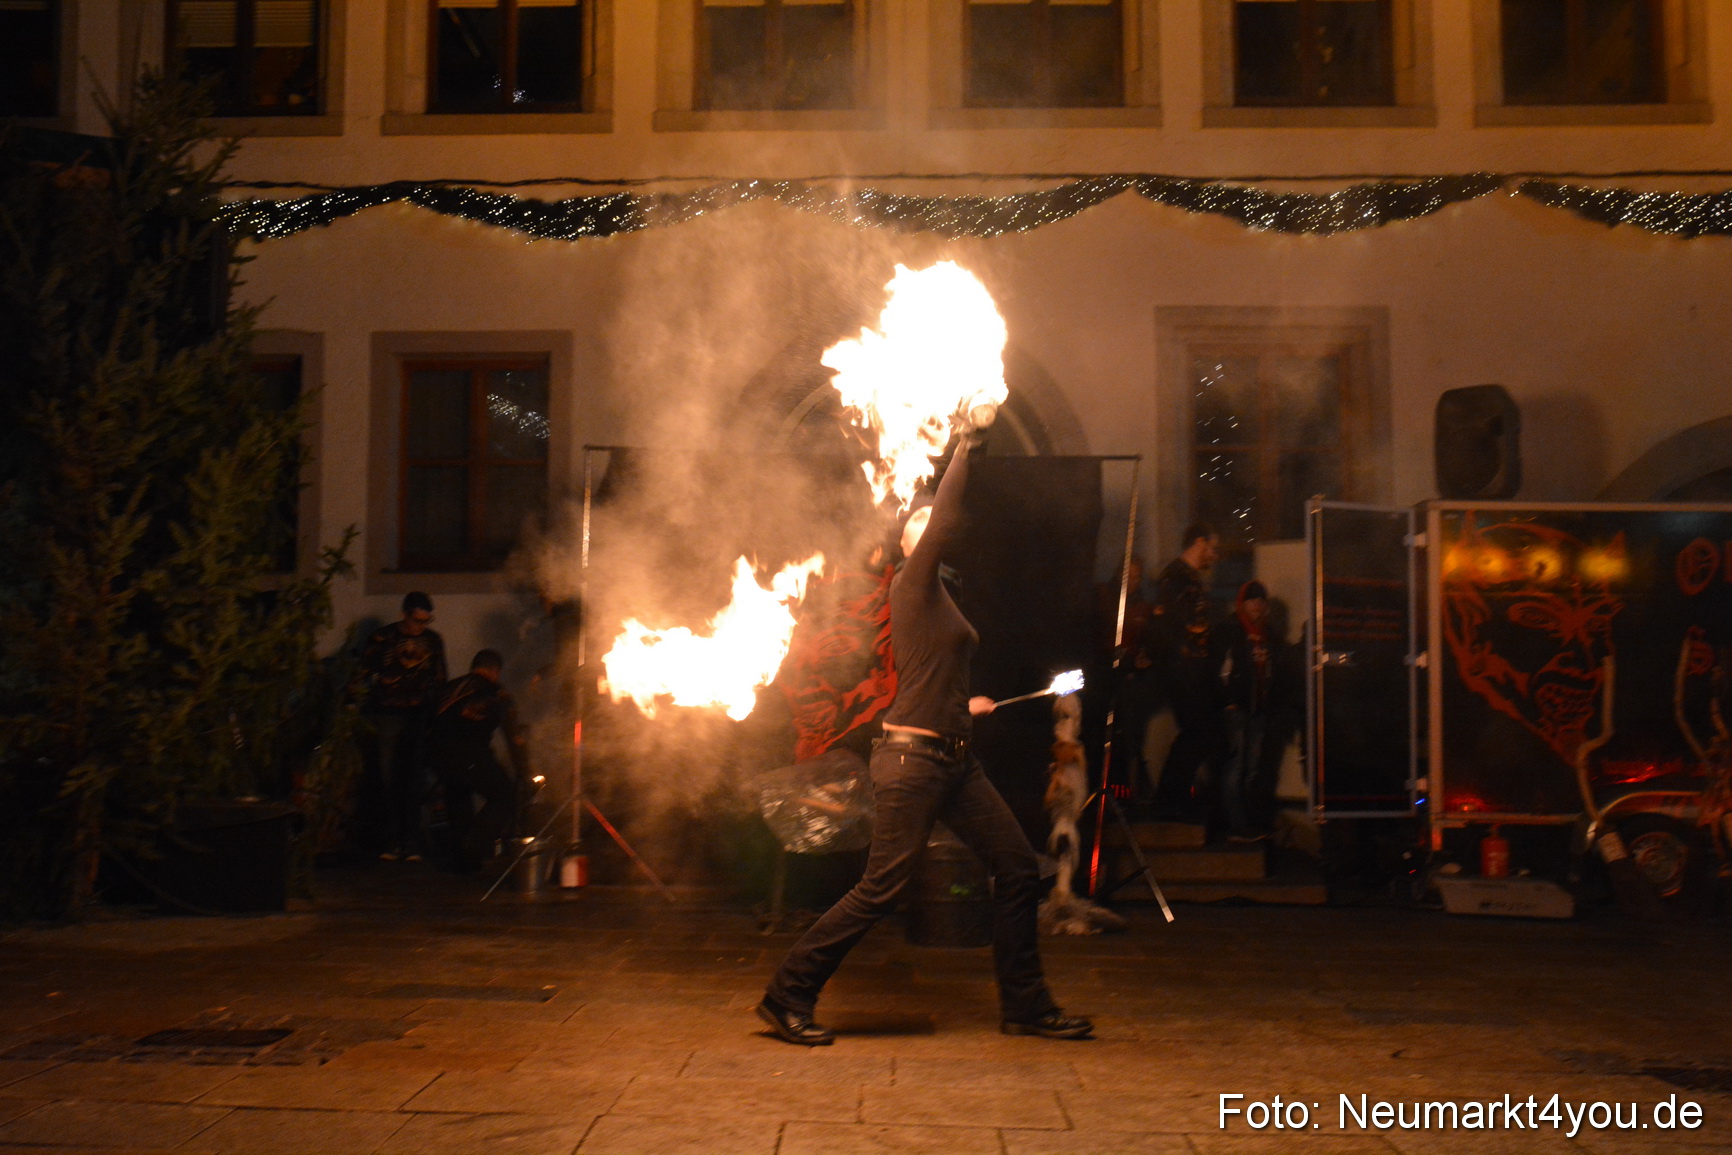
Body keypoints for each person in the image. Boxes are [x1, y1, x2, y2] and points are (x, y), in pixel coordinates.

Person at [758, 423, 1092, 1046]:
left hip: (954, 759)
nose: (932, 524)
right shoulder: (910, 584)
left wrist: (969, 705)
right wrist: (967, 444)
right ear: (913, 544)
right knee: (880, 889)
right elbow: (943, 516)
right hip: (912, 765)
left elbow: (925, 676)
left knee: (1018, 870)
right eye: (922, 524)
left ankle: (1025, 1005)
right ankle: (787, 995)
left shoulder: (940, 598)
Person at [356, 592, 448, 860]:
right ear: (404, 615)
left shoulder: (432, 641)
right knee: (387, 777)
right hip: (386, 715)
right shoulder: (382, 639)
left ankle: (410, 841)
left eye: (425, 621)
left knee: (413, 778)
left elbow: (440, 678)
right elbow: (363, 674)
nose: (420, 627)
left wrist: (435, 714)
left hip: (419, 716)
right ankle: (390, 840)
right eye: (417, 621)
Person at [427, 649, 530, 873]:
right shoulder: (495, 691)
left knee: (458, 799)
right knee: (504, 796)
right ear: (495, 671)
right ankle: (473, 847)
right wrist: (525, 772)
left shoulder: (449, 688)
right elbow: (513, 736)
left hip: (438, 756)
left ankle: (463, 863)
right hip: (470, 753)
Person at [1149, 523, 1222, 824]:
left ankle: (1173, 799)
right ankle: (1169, 800)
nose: (1215, 557)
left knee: (1200, 734)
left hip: (1193, 670)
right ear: (1200, 542)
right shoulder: (1175, 578)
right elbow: (1169, 629)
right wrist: (1182, 665)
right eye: (1213, 548)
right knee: (1197, 733)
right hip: (1182, 670)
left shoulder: (1188, 578)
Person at [1212, 581, 1274, 841]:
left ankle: (1248, 823)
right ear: (1242, 603)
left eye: (1261, 601)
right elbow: (1219, 669)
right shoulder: (1230, 630)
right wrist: (1228, 701)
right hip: (1237, 710)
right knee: (1236, 767)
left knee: (1252, 769)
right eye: (1252, 601)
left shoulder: (1266, 633)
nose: (1257, 605)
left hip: (1257, 709)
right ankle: (1234, 825)